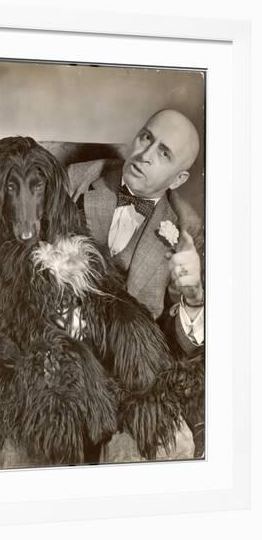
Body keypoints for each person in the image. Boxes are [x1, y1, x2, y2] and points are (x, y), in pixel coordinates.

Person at [69, 109, 204, 461]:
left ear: (178, 179)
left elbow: (179, 343)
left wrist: (193, 297)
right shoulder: (78, 179)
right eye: (147, 138)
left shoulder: (188, 228)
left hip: (133, 378)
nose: (144, 155)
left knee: (145, 456)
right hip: (68, 357)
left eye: (164, 153)